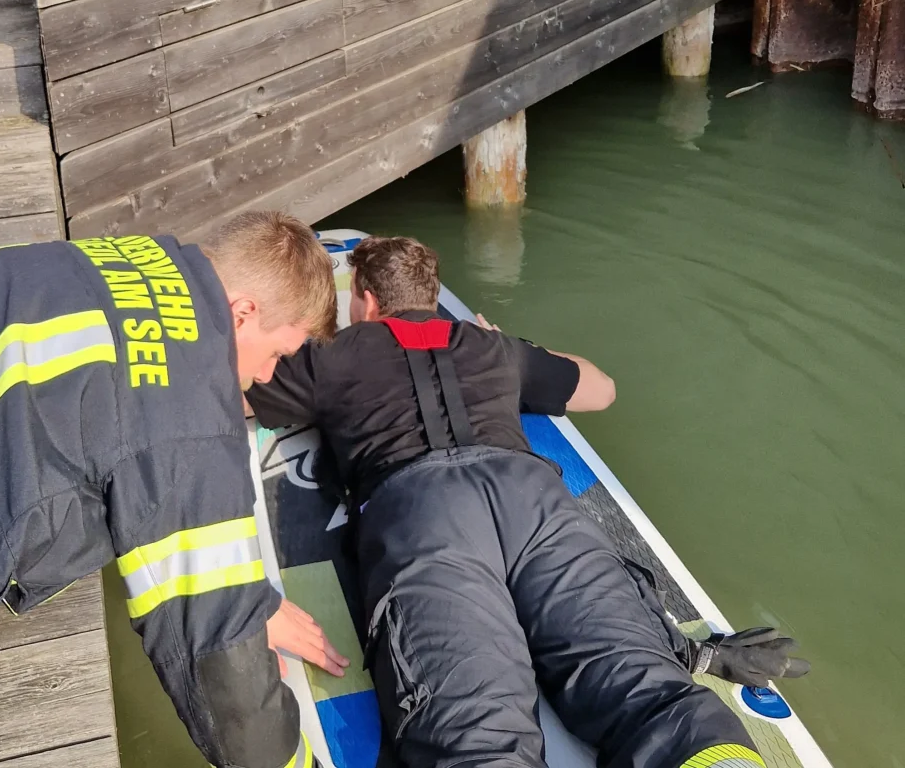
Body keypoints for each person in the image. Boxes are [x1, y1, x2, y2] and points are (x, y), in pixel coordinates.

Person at [245, 236, 809, 768]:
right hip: (534, 500)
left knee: (474, 728)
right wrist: (520, 349)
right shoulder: (494, 348)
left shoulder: (330, 355)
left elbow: (241, 386)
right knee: (648, 690)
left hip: (422, 513)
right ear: (432, 298)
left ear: (366, 300)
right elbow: (602, 390)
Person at [0, 212, 350, 768]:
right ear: (243, 313)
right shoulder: (190, 413)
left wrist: (249, 597)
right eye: (277, 354)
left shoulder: (108, 257)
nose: (270, 376)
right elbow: (221, 669)